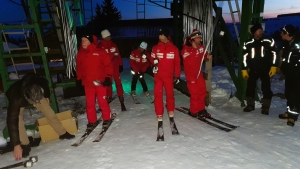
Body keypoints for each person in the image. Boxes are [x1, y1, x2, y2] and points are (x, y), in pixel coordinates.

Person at [5, 73, 75, 160]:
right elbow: (12, 122)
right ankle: (25, 145)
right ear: (28, 99)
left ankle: (63, 133)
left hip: (34, 93)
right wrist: (16, 144)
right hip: (18, 95)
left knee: (49, 112)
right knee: (18, 121)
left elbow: (45, 83)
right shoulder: (15, 99)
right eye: (34, 102)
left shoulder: (37, 83)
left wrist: (46, 96)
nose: (35, 104)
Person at [76, 34, 114, 131]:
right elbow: (79, 67)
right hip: (88, 84)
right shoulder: (81, 53)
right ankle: (92, 121)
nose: (83, 42)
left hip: (100, 82)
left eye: (85, 40)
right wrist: (79, 79)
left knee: (102, 101)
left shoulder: (100, 51)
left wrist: (108, 77)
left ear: (91, 41)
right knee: (89, 104)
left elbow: (108, 65)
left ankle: (107, 118)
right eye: (82, 40)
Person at [241, 23, 277, 115]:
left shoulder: (268, 40)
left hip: (266, 69)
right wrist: (244, 69)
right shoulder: (248, 43)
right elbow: (245, 57)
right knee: (250, 87)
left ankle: (265, 106)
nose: (261, 32)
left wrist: (274, 66)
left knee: (266, 88)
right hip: (253, 69)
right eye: (258, 30)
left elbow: (274, 54)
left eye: (261, 30)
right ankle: (250, 105)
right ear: (253, 33)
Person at [150, 28, 180, 122]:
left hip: (169, 76)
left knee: (170, 94)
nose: (160, 37)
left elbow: (177, 63)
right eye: (159, 35)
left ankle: (171, 110)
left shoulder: (174, 48)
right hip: (158, 76)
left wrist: (177, 75)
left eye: (161, 35)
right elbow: (152, 60)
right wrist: (153, 63)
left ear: (166, 36)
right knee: (158, 95)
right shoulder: (155, 48)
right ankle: (159, 113)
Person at [181, 29, 212, 118]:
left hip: (199, 74)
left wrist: (207, 56)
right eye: (197, 38)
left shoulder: (201, 47)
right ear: (192, 39)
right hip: (191, 75)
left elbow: (203, 55)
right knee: (195, 93)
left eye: (200, 38)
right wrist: (194, 50)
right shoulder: (186, 49)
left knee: (202, 91)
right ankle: (194, 111)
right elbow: (189, 62)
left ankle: (201, 108)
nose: (199, 40)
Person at [278, 24, 300, 126]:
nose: (280, 34)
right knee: (288, 93)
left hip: (297, 74)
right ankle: (288, 112)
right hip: (290, 73)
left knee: (295, 95)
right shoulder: (286, 44)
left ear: (287, 34)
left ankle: (293, 117)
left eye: (282, 33)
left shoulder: (298, 44)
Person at [97, 29, 125, 105]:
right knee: (108, 83)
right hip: (106, 69)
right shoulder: (100, 47)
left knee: (118, 82)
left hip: (115, 67)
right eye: (108, 36)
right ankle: (108, 96)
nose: (110, 37)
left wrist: (120, 64)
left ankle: (120, 95)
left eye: (110, 36)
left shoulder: (113, 45)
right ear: (104, 37)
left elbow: (118, 55)